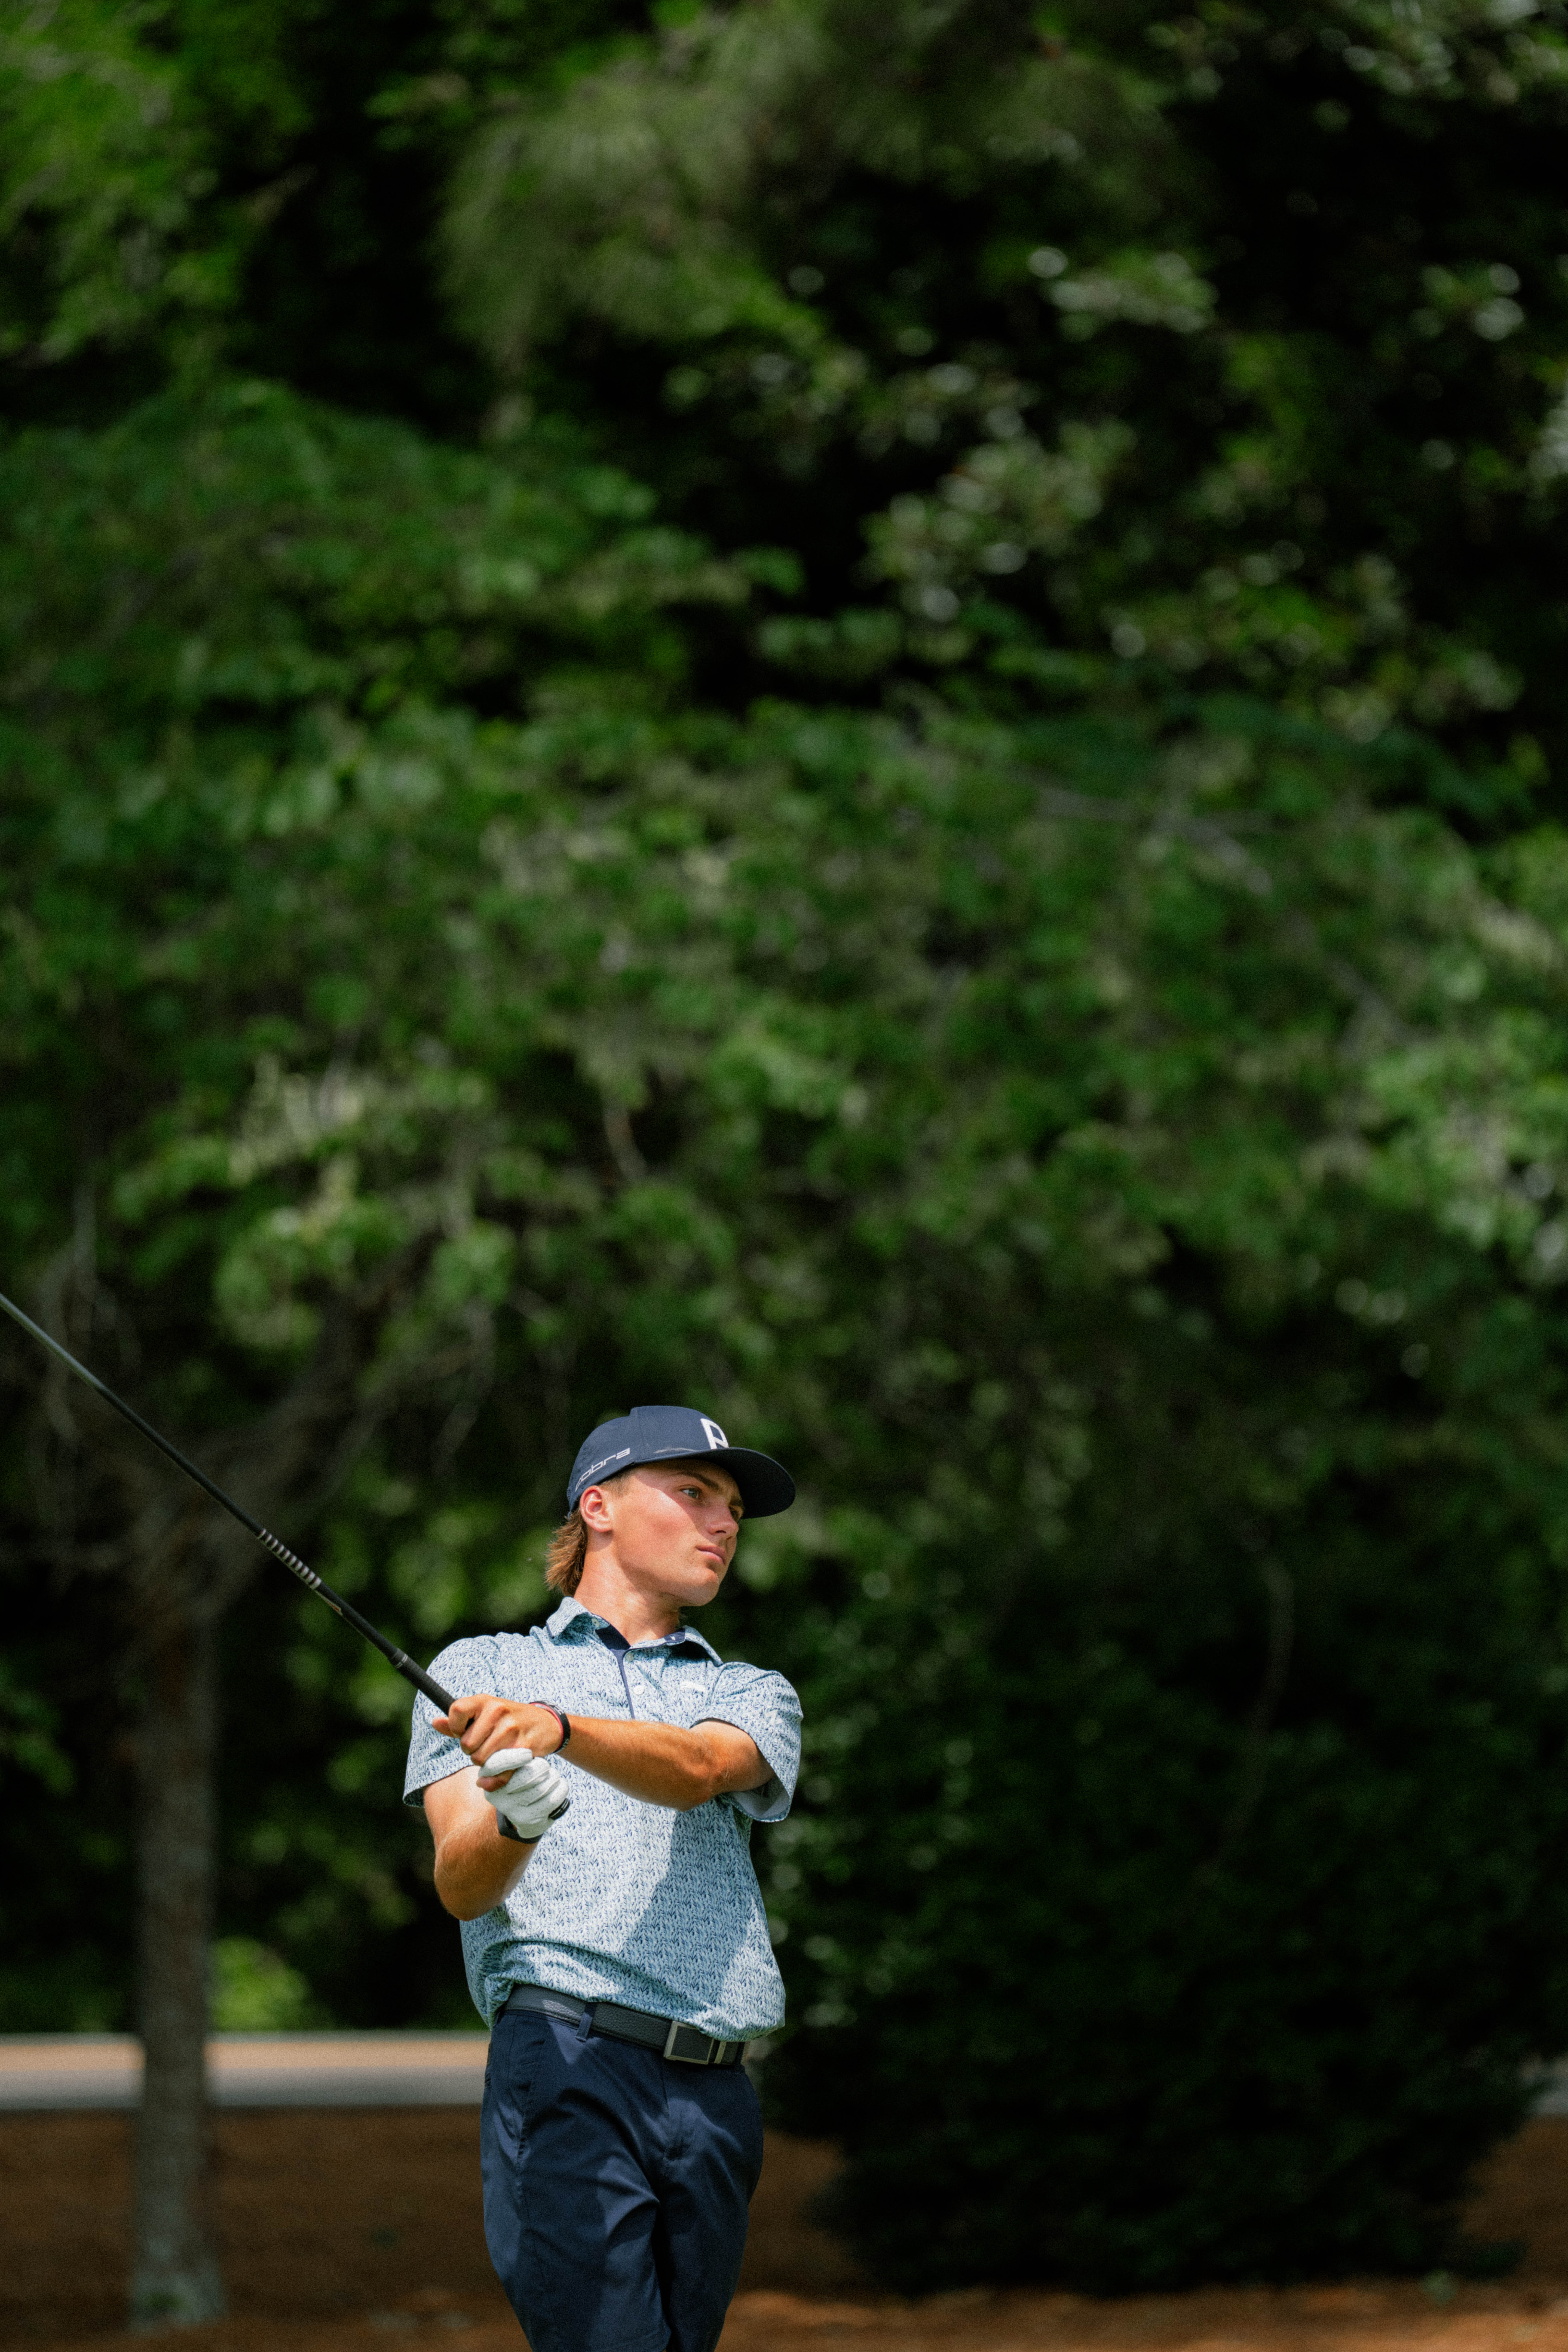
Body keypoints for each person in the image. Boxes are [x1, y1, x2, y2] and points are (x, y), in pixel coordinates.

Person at [403, 1404, 802, 2352]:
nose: (724, 1525)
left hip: (715, 2093)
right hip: (568, 2059)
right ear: (600, 1507)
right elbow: (463, 1882)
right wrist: (519, 1819)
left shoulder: (746, 1689)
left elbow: (703, 1770)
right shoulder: (483, 1671)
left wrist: (562, 1732)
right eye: (696, 1494)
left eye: (735, 1510)